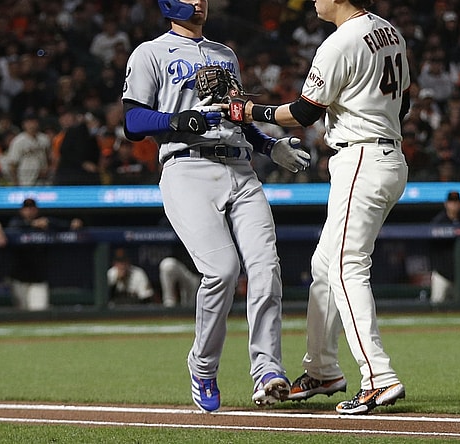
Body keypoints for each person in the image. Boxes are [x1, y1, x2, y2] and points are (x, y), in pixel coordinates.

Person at [222, 0, 410, 414]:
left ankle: (379, 377)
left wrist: (248, 111)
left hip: (362, 158)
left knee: (345, 268)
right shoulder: (389, 30)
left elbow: (304, 113)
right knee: (325, 269)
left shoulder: (340, 42)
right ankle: (323, 369)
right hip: (387, 155)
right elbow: (405, 104)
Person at [120, 0, 309, 412]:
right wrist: (179, 120)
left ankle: (267, 371)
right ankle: (203, 366)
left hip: (240, 168)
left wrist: (269, 145)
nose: (199, 2)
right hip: (187, 169)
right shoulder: (150, 52)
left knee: (265, 266)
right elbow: (132, 122)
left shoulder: (225, 54)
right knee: (222, 271)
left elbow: (236, 117)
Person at [6, 198, 84, 311]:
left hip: (38, 279)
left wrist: (73, 224)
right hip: (19, 280)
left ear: (36, 210)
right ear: (21, 211)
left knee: (39, 312)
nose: (29, 211)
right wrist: (32, 224)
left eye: (32, 208)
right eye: (26, 208)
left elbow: (64, 225)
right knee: (20, 313)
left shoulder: (46, 223)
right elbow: (12, 227)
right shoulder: (16, 223)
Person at [429, 191, 460, 306]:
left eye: (456, 202)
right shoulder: (438, 222)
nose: (454, 205)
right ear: (446, 204)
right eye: (451, 202)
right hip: (442, 274)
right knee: (435, 306)